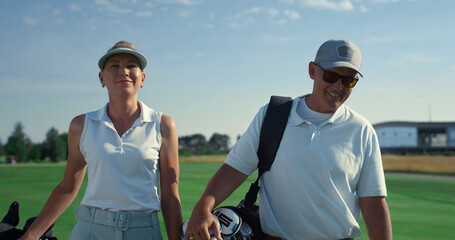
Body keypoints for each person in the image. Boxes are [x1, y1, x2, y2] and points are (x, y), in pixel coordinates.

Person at [183, 39, 392, 240]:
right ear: (312, 71)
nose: (338, 86)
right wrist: (203, 206)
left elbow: (373, 201)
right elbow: (235, 169)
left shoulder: (361, 129)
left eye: (349, 80)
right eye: (331, 75)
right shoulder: (273, 115)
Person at [19, 41, 182, 240]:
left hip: (143, 231)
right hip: (89, 230)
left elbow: (170, 196)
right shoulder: (82, 125)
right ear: (101, 78)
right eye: (114, 65)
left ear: (143, 78)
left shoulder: (163, 124)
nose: (123, 71)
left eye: (131, 65)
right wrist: (30, 236)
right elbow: (68, 188)